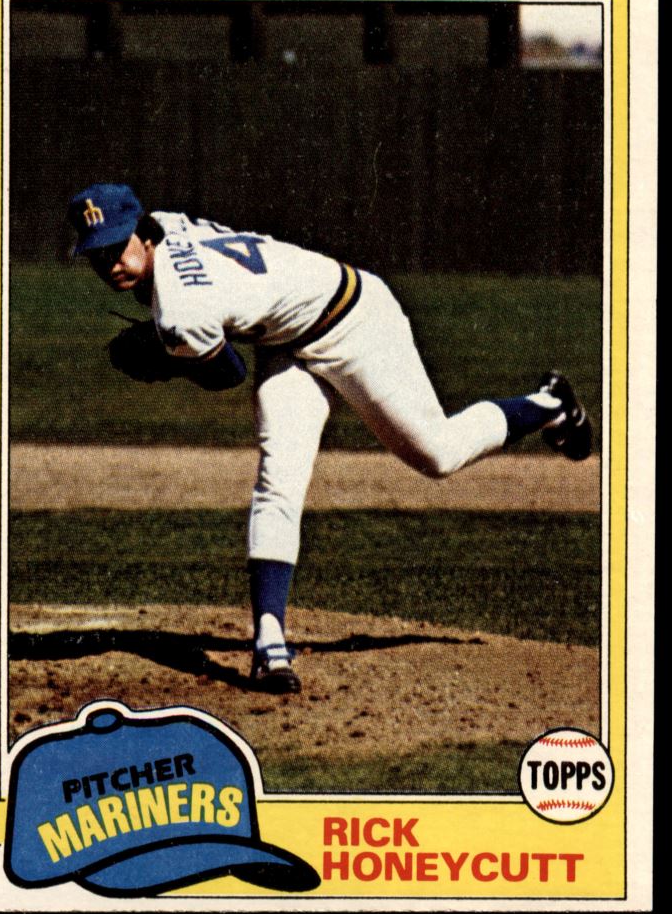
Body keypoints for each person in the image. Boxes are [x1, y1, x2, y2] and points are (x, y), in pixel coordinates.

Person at [67, 182, 592, 695]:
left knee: (438, 454)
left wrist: (168, 358)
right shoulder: (169, 225)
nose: (110, 263)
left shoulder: (181, 309)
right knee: (278, 478)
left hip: (356, 321)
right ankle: (269, 641)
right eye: (97, 254)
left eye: (117, 246)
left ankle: (550, 405)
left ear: (144, 234)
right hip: (286, 342)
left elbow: (226, 374)